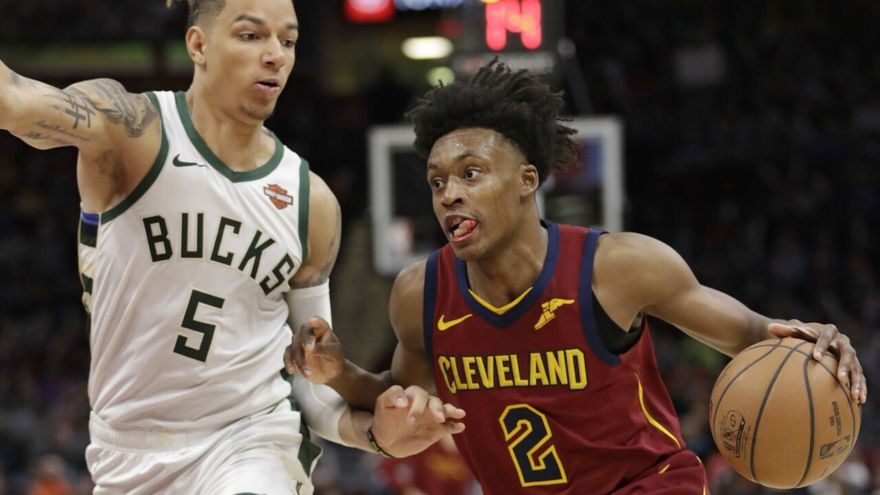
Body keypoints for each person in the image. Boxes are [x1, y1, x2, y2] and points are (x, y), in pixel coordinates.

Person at [286, 60, 869, 494]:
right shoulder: (420, 292)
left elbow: (758, 336)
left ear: (527, 180)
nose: (450, 194)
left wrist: (820, 342)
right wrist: (339, 373)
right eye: (437, 181)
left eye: (471, 173)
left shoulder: (618, 267)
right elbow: (403, 400)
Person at [0, 0, 464, 494]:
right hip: (125, 453)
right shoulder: (129, 128)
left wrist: (375, 435)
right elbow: (13, 101)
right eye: (251, 35)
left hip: (252, 444)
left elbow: (310, 381)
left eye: (288, 41)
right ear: (198, 45)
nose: (275, 55)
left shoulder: (311, 201)